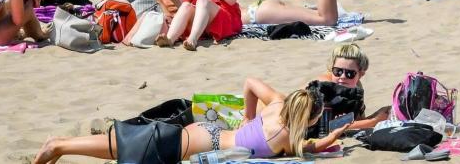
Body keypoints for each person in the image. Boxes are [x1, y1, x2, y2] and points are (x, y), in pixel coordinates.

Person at [32, 80, 344, 164]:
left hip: (213, 133)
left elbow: (250, 82)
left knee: (130, 147)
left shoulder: (276, 104)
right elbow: (312, 145)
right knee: (127, 148)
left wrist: (250, 115)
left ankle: (61, 146)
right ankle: (58, 145)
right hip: (207, 141)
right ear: (311, 117)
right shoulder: (288, 139)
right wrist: (338, 133)